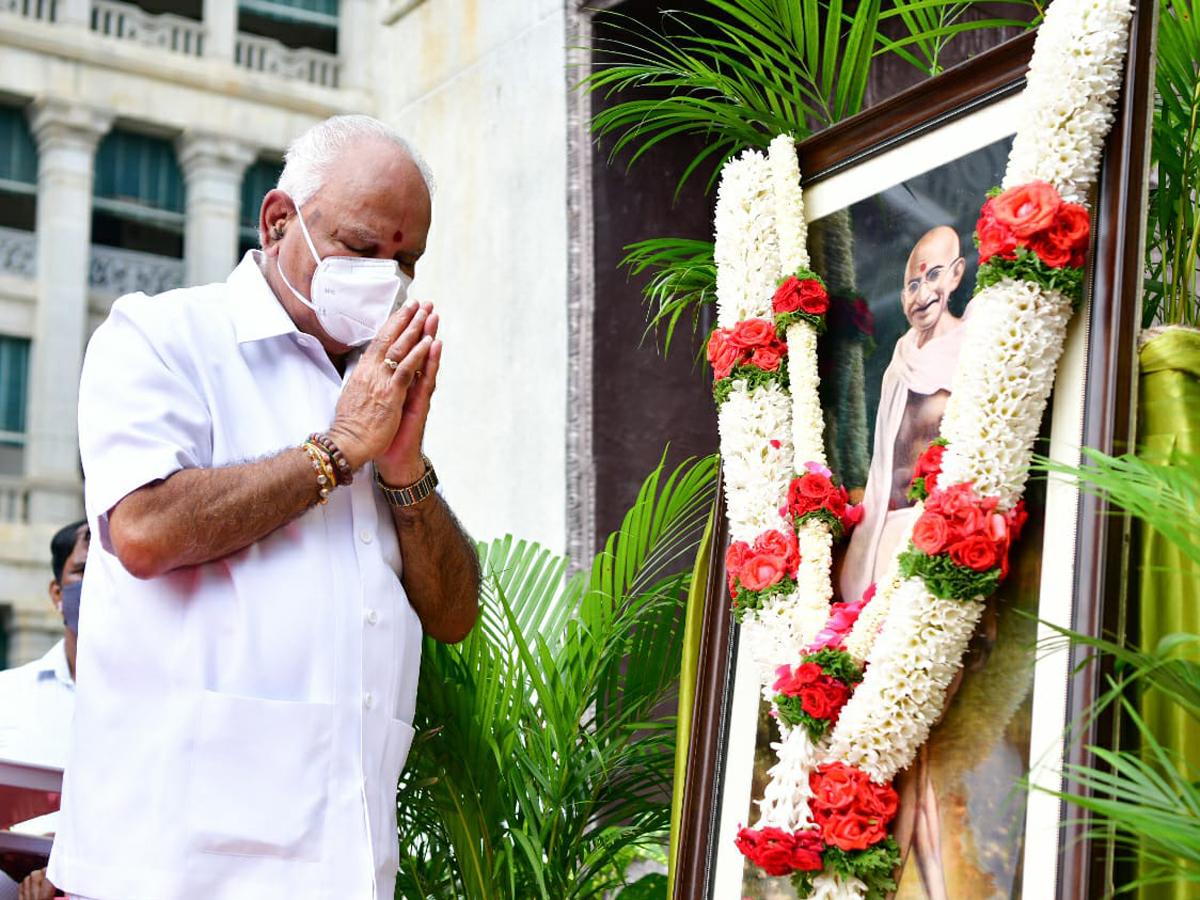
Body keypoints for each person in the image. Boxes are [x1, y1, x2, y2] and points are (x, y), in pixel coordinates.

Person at [46, 115, 481, 900]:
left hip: (348, 865)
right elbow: (142, 531)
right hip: (175, 866)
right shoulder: (164, 335)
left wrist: (404, 467)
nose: (386, 278)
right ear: (279, 221)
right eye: (361, 246)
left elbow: (451, 617)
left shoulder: (380, 381)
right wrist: (339, 449)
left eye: (405, 259)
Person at [839, 225, 967, 608]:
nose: (922, 294)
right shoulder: (901, 355)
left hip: (938, 521)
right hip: (885, 520)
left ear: (957, 273)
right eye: (913, 284)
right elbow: (885, 455)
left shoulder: (971, 340)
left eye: (933, 276)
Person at [0, 520, 88, 900]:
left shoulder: (164, 704)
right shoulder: (7, 695)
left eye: (110, 571)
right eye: (83, 571)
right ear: (56, 593)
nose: (98, 585)